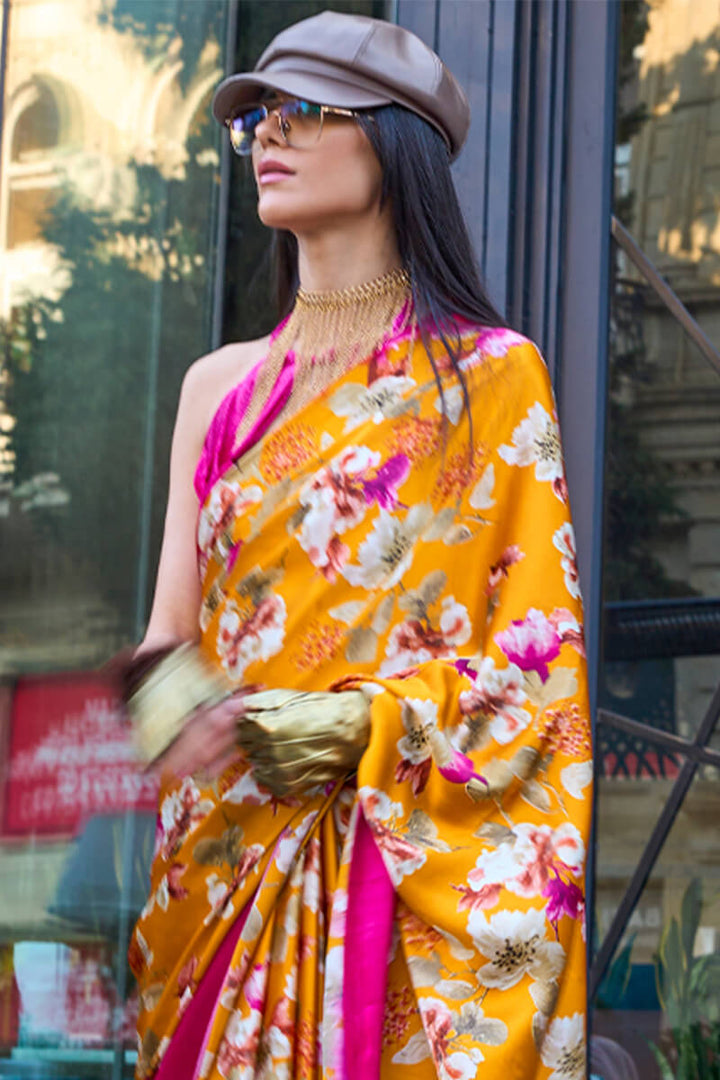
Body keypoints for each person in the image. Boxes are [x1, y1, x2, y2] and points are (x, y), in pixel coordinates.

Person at [127, 11, 592, 1079]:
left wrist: (358, 725)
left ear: (395, 145)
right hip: (226, 865)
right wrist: (178, 723)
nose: (269, 136)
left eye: (305, 111)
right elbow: (164, 641)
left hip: (399, 872)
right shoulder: (219, 389)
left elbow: (539, 670)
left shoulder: (491, 378)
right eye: (257, 119)